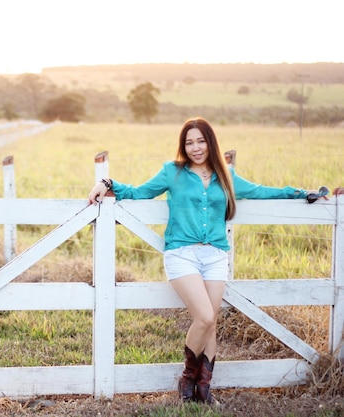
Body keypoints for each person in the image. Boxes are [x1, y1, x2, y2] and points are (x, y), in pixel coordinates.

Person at [87, 117, 318, 404]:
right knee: (205, 317)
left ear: (210, 142)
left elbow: (261, 191)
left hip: (215, 256)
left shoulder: (226, 175)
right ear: (183, 146)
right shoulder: (173, 172)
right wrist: (106, 183)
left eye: (200, 141)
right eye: (189, 142)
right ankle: (187, 378)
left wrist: (298, 193)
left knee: (211, 322)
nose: (195, 147)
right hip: (182, 255)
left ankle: (203, 389)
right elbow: (139, 192)